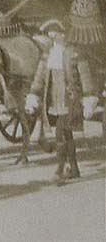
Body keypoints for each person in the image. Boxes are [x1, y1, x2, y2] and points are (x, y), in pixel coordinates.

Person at [26, 19, 96, 185]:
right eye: (50, 34)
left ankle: (60, 169)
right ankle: (74, 167)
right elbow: (39, 78)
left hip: (69, 101)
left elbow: (85, 76)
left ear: (62, 34)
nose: (53, 36)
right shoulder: (47, 55)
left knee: (60, 133)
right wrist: (33, 95)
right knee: (67, 134)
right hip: (53, 101)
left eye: (55, 33)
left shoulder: (74, 53)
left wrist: (88, 97)